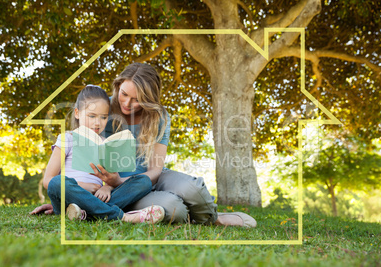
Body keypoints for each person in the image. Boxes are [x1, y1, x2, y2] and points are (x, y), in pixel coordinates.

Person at [89, 63, 257, 228]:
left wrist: (121, 180)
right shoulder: (103, 109)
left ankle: (213, 218)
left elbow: (155, 170)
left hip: (152, 178)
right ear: (118, 86)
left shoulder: (158, 116)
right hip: (121, 190)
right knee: (173, 208)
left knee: (192, 188)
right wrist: (113, 184)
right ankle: (184, 215)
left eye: (137, 100)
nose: (126, 103)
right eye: (124, 94)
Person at [30, 85, 165, 224]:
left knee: (143, 181)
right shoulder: (67, 138)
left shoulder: (106, 144)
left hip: (97, 197)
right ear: (77, 113)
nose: (97, 122)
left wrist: (107, 187)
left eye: (103, 117)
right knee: (57, 183)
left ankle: (84, 214)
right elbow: (48, 180)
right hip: (68, 197)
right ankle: (122, 217)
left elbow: (111, 178)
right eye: (92, 116)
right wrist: (83, 186)